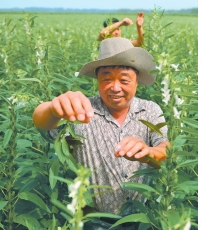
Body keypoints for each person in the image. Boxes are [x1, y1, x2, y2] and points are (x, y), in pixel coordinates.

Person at [32, 37, 169, 227]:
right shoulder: (81, 111)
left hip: (140, 219)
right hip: (91, 221)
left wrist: (149, 153)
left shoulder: (150, 110)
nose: (115, 87)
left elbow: (166, 148)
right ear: (97, 80)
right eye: (106, 79)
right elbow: (43, 125)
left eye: (124, 80)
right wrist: (52, 109)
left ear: (137, 80)